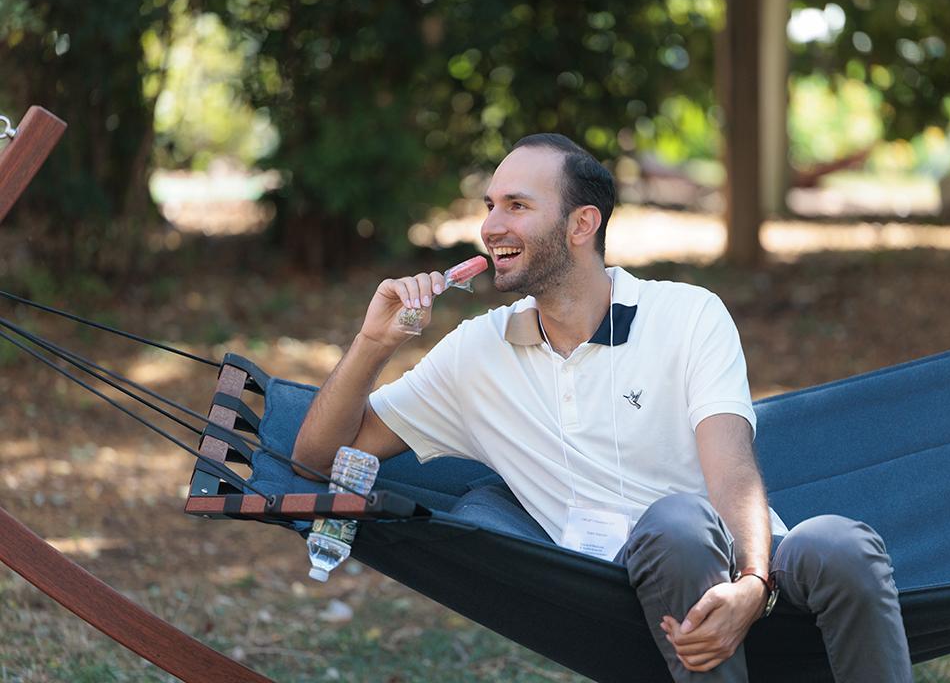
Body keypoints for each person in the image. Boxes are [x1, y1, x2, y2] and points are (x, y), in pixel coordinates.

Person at [293, 134, 913, 682]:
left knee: (842, 543)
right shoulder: (475, 355)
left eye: (517, 205)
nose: (491, 225)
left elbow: (731, 468)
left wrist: (753, 581)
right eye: (490, 205)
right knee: (675, 525)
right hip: (624, 580)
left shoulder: (688, 314)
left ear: (581, 224)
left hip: (747, 557)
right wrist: (375, 342)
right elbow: (320, 457)